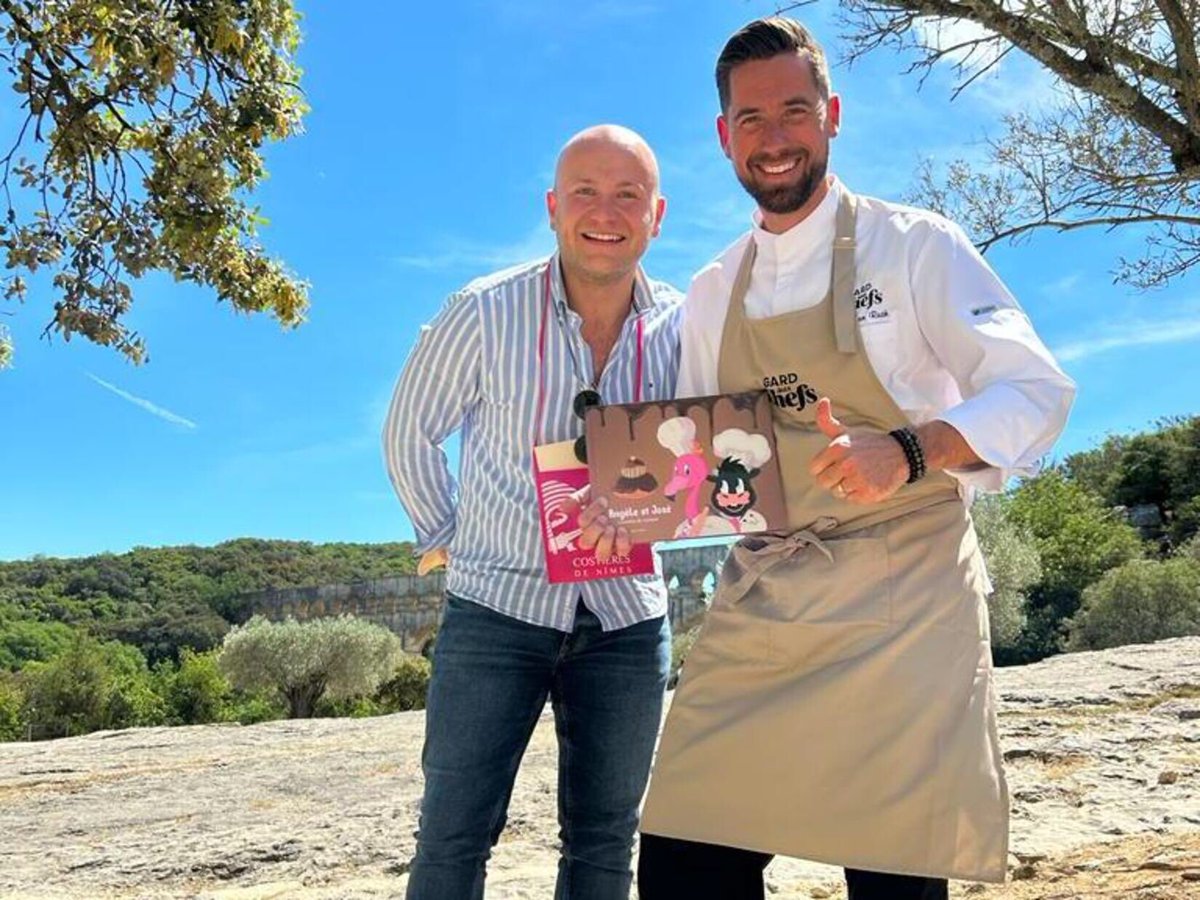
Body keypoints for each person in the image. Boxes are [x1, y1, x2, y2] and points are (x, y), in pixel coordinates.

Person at [622, 16, 1075, 900]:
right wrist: (615, 514)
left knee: (893, 872)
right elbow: (700, 466)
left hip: (908, 590)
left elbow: (1035, 392)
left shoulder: (916, 246)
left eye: (794, 111)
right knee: (683, 852)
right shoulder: (715, 291)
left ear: (831, 115)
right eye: (751, 120)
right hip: (771, 591)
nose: (774, 137)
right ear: (724, 138)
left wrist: (910, 450)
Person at [381, 124, 682, 900]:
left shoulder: (685, 325)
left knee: (606, 843)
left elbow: (700, 456)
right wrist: (445, 536)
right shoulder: (483, 311)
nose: (604, 211)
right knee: (452, 837)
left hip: (627, 620)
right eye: (585, 191)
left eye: (627, 194)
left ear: (658, 214)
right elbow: (408, 427)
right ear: (553, 206)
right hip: (495, 614)